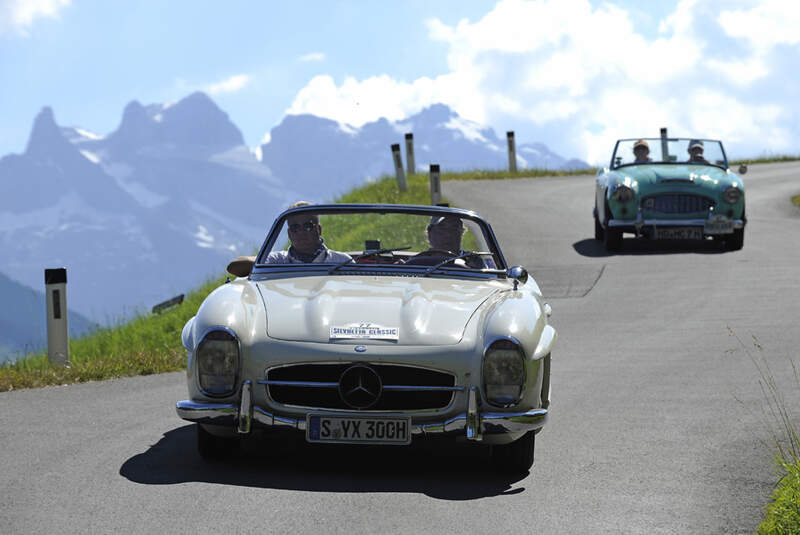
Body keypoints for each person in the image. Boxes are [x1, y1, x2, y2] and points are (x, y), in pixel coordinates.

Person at [265, 201, 352, 264]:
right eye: (295, 227)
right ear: (289, 233)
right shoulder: (275, 261)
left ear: (319, 230)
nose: (301, 232)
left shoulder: (343, 262)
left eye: (307, 226)